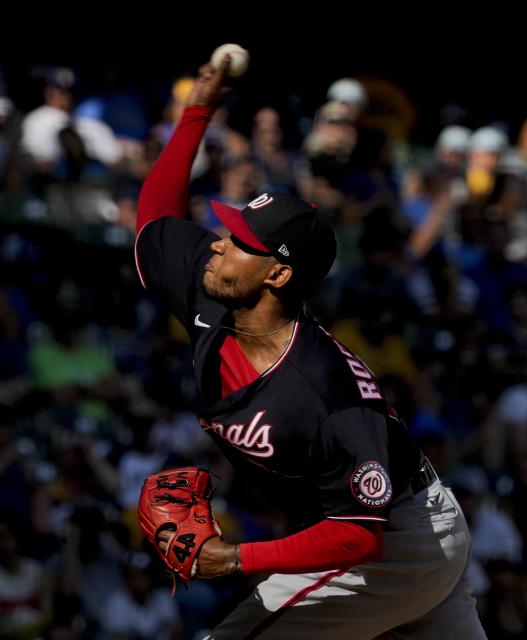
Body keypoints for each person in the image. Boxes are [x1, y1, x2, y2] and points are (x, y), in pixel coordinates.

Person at [133, 54, 484, 639]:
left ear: (277, 275)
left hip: (395, 542)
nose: (218, 245)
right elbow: (154, 222)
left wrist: (235, 558)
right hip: (391, 528)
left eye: (241, 241)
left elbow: (357, 533)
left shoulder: (325, 391)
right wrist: (199, 108)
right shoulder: (215, 289)